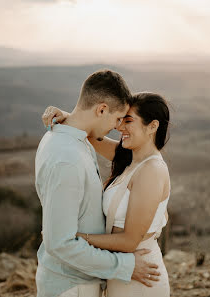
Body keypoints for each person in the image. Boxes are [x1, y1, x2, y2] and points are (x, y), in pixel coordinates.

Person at [35, 70, 161, 297]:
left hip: (85, 279)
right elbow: (60, 243)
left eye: (126, 121)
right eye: (117, 119)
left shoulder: (72, 140)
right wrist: (124, 266)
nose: (118, 127)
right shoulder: (67, 159)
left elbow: (89, 133)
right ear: (102, 109)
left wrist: (67, 117)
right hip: (72, 285)